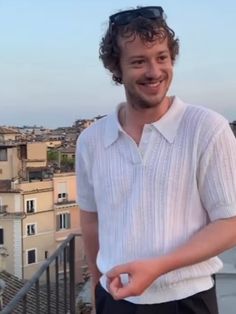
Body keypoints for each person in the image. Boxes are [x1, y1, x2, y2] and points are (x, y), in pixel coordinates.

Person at [76, 6, 236, 314]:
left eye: (161, 57)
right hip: (116, 300)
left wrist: (159, 267)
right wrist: (98, 290)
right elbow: (92, 220)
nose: (154, 71)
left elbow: (230, 222)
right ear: (116, 68)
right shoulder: (91, 140)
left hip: (188, 300)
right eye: (138, 61)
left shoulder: (207, 129)